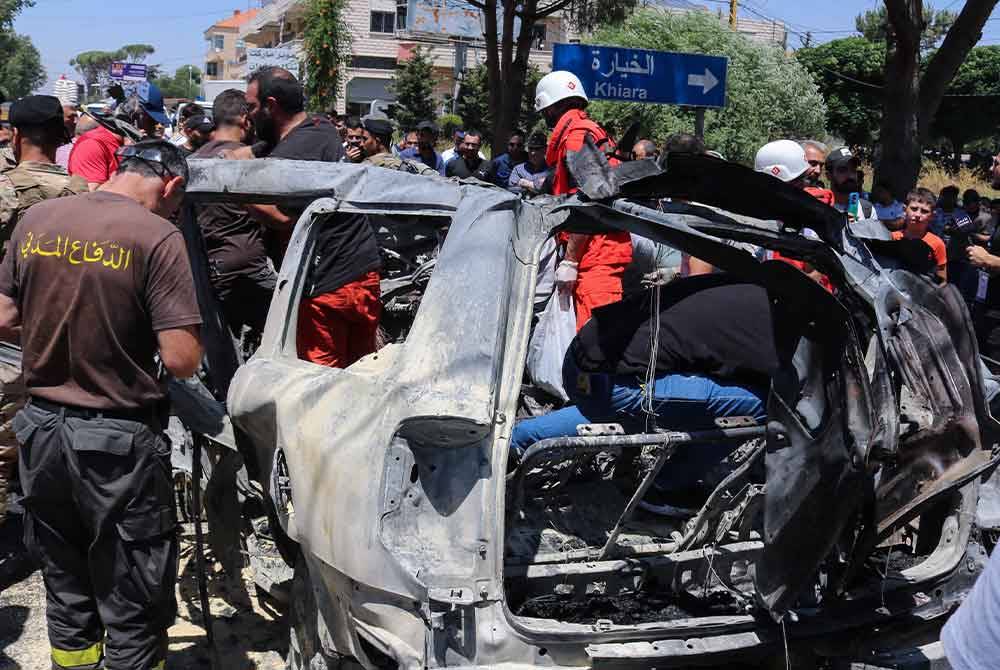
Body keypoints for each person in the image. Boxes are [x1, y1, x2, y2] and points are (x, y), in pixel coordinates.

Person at [0, 138, 202, 670]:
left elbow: (2, 317)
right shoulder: (158, 236)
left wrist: (55, 331)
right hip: (116, 445)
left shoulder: (39, 219)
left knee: (65, 578)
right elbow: (180, 359)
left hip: (40, 432)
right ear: (172, 185)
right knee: (132, 589)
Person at [510, 275, 776, 516]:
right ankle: (665, 488)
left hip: (584, 362)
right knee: (765, 404)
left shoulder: (752, 287)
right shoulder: (780, 329)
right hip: (613, 383)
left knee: (630, 404)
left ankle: (517, 440)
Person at [240, 67, 380, 368]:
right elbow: (274, 146)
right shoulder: (320, 127)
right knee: (360, 371)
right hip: (363, 269)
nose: (247, 116)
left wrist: (236, 191)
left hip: (327, 284)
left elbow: (281, 217)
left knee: (319, 378)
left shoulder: (291, 154)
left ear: (271, 105)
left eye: (251, 107)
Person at [0, 96, 89, 525]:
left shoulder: (3, 184)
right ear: (61, 137)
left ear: (14, 136)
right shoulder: (77, 194)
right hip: (50, 335)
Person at [534, 70, 633, 330]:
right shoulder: (585, 133)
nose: (545, 117)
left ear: (553, 105)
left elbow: (591, 200)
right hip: (593, 249)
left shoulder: (577, 136)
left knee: (596, 343)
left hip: (596, 252)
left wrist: (571, 260)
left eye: (545, 110)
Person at [191, 89, 276, 337]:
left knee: (222, 354)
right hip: (251, 270)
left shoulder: (194, 160)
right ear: (244, 119)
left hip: (210, 271)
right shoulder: (250, 161)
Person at [893, 188, 947, 283]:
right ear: (905, 210)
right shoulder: (893, 237)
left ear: (932, 216)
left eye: (924, 211)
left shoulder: (937, 244)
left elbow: (942, 281)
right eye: (914, 209)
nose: (918, 214)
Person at [825, 147, 874, 220]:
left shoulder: (867, 209)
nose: (850, 175)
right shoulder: (820, 209)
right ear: (829, 176)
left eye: (853, 170)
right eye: (842, 170)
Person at [508, 132, 551, 197]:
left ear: (545, 149)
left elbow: (548, 190)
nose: (533, 153)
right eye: (530, 148)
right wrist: (537, 186)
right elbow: (512, 189)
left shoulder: (552, 171)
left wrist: (525, 183)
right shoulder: (518, 169)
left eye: (537, 149)